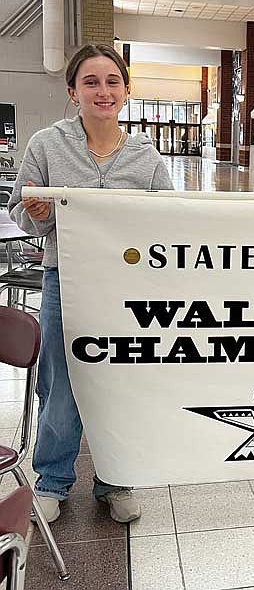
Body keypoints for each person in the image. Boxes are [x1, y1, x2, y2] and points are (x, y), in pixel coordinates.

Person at [8, 44, 174, 524]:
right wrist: (36, 213)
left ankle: (117, 479)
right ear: (72, 91)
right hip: (67, 282)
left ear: (126, 91)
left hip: (128, 291)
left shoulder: (144, 156)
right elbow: (22, 210)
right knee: (60, 385)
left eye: (112, 82)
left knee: (120, 385)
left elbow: (168, 218)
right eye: (91, 82)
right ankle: (53, 481)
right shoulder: (46, 145)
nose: (103, 91)